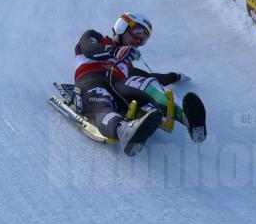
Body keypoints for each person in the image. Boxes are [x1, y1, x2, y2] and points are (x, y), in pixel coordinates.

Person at [72, 11, 206, 156]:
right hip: (91, 82)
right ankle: (122, 129)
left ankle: (188, 119)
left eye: (144, 39)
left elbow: (151, 77)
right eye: (137, 32)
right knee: (102, 103)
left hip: (118, 89)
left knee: (147, 83)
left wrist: (174, 76)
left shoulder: (126, 65)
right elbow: (89, 48)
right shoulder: (95, 37)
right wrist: (116, 51)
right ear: (122, 25)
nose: (138, 41)